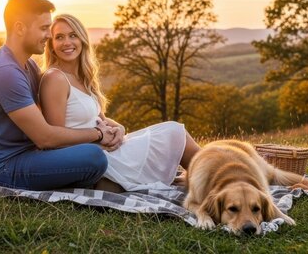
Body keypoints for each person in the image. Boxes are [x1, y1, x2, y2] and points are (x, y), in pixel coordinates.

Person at [0, 0, 118, 191]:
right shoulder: (5, 73)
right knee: (94, 157)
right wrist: (98, 134)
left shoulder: (28, 65)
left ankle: (94, 179)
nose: (49, 35)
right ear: (20, 28)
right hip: (1, 170)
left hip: (28, 156)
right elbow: (45, 138)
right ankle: (96, 182)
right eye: (44, 28)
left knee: (90, 154)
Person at [39, 13, 202, 192]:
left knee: (173, 132)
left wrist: (120, 128)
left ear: (82, 40)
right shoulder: (55, 78)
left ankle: (212, 176)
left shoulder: (81, 77)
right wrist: (98, 138)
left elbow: (100, 118)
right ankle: (214, 177)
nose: (67, 42)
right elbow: (56, 139)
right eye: (59, 37)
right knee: (172, 132)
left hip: (106, 147)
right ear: (52, 46)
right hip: (93, 156)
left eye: (73, 35)